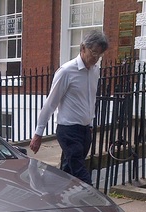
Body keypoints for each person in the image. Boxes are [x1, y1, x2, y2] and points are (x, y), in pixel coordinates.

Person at [29, 31, 108, 186]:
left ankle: (49, 194)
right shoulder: (66, 71)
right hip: (68, 130)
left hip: (85, 130)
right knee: (80, 172)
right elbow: (50, 103)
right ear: (83, 48)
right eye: (93, 53)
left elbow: (90, 99)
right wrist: (38, 133)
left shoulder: (95, 71)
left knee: (68, 171)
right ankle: (93, 200)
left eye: (99, 55)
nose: (96, 58)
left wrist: (90, 124)